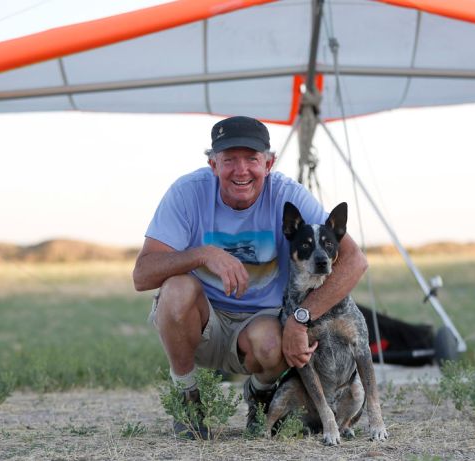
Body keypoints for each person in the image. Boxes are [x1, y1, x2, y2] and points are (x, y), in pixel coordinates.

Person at [132, 115, 368, 438]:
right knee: (175, 291)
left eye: (252, 159)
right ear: (213, 164)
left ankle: (258, 395)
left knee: (277, 340)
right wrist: (204, 254)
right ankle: (187, 399)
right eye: (229, 160)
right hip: (204, 322)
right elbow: (141, 275)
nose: (241, 170)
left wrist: (301, 317)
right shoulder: (186, 193)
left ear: (269, 163)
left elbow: (355, 261)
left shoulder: (287, 194)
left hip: (260, 324)